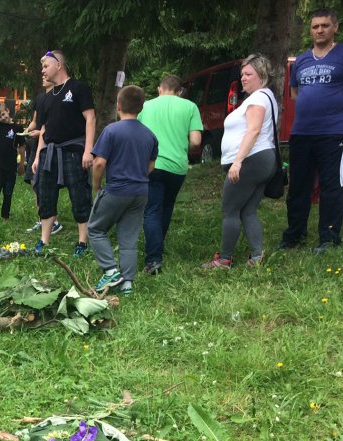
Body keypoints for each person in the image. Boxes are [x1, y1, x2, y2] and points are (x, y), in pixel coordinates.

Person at [279, 8, 343, 254]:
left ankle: (328, 239)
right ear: (310, 30)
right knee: (298, 186)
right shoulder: (301, 60)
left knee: (332, 186)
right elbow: (295, 94)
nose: (319, 30)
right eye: (315, 26)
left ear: (335, 27)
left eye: (324, 26)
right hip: (302, 133)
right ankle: (294, 235)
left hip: (333, 134)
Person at [202, 54, 279, 269]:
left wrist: (237, 162)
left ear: (261, 75)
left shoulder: (257, 99)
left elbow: (253, 130)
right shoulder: (266, 96)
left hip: (251, 161)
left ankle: (224, 259)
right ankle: (257, 256)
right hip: (263, 160)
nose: (243, 78)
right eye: (242, 74)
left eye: (248, 74)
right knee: (248, 210)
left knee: (230, 210)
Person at [88, 85, 157, 297]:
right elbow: (151, 165)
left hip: (117, 189)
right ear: (142, 107)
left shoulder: (112, 130)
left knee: (95, 229)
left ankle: (110, 271)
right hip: (141, 192)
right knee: (128, 238)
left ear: (118, 105)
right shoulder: (149, 135)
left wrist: (97, 185)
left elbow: (99, 163)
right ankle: (127, 285)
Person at [30, 50, 96, 256]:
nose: (43, 70)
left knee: (79, 195)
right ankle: (44, 241)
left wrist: (88, 151)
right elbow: (44, 129)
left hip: (74, 151)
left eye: (46, 66)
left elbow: (91, 119)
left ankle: (82, 242)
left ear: (58, 65)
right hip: (50, 153)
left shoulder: (78, 88)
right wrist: (39, 155)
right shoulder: (47, 98)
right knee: (46, 196)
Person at [138, 75, 203, 274]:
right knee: (166, 207)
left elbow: (136, 133)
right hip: (177, 167)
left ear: (159, 89)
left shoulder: (145, 106)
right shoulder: (190, 107)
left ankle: (153, 259)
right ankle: (158, 246)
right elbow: (196, 141)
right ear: (180, 91)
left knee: (151, 210)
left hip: (152, 165)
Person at [24, 77, 63, 236]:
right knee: (34, 182)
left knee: (47, 184)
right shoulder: (40, 98)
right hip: (35, 146)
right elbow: (35, 121)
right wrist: (26, 131)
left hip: (50, 146)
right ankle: (42, 219)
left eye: (47, 73)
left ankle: (54, 221)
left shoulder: (59, 97)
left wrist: (41, 133)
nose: (43, 76)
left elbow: (57, 124)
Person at [0, 102, 24, 222]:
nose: (2, 118)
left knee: (8, 193)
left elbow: (22, 147)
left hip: (11, 166)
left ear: (8, 110)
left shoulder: (18, 128)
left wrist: (22, 164)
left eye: (3, 114)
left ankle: (5, 216)